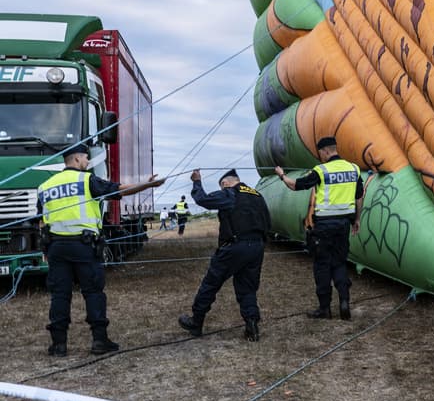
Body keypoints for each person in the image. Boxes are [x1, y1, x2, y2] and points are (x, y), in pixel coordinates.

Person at [38, 143, 165, 357]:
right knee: (93, 292)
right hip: (83, 246)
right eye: (86, 158)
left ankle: (58, 344)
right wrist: (147, 185)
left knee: (59, 295)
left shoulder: (45, 186)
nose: (88, 162)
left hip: (56, 247)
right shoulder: (87, 180)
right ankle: (99, 340)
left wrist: (45, 249)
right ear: (77, 159)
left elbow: (41, 222)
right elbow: (119, 189)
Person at [178, 168, 271, 342]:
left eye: (222, 187)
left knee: (211, 283)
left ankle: (196, 321)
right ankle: (251, 324)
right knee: (247, 287)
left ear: (225, 183)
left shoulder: (230, 193)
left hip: (234, 246)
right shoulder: (257, 195)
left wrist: (197, 181)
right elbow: (268, 220)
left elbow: (203, 199)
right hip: (256, 247)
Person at [275, 137, 363, 320]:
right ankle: (344, 302)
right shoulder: (354, 169)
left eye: (320, 153)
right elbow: (359, 196)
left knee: (322, 265)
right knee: (339, 263)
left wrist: (282, 175)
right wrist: (357, 219)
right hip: (343, 226)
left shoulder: (321, 171)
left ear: (324, 151)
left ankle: (325, 309)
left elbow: (295, 185)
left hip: (323, 227)